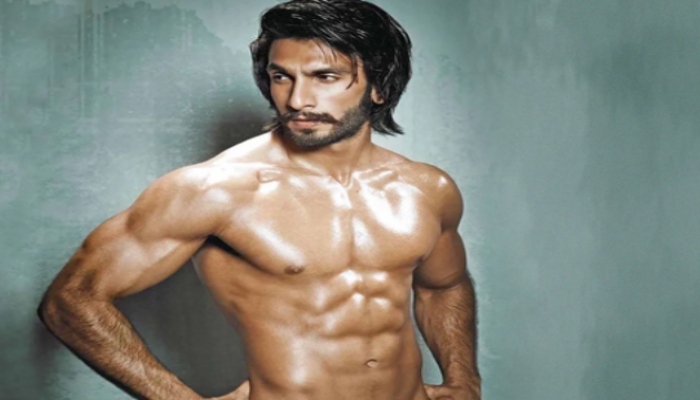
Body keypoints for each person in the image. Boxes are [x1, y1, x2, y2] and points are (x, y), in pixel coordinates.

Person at [37, 0, 481, 399]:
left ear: (379, 86)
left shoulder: (427, 189)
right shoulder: (217, 190)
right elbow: (72, 299)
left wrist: (463, 382)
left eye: (325, 77)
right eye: (281, 77)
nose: (298, 99)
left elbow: (443, 286)